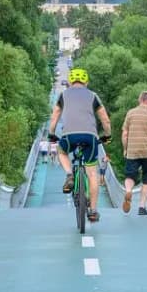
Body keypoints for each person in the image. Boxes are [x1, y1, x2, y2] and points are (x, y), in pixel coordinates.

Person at [47, 67, 112, 221]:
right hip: (90, 136)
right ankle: (93, 211)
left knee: (62, 151)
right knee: (92, 174)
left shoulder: (63, 95)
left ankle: (70, 174)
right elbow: (105, 119)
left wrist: (51, 133)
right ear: (86, 82)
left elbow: (55, 115)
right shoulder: (93, 96)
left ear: (70, 81)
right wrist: (107, 135)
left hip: (69, 135)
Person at [120, 91, 147, 215]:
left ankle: (128, 190)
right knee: (146, 179)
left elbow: (124, 133)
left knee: (130, 175)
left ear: (139, 100)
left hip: (132, 151)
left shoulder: (130, 113)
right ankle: (142, 207)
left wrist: (125, 149)